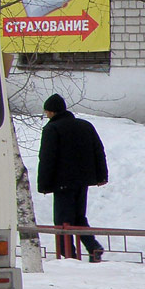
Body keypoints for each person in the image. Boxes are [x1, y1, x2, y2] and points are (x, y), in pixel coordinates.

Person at [37, 93, 108, 262]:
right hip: (82, 182)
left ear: (52, 112)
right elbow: (99, 151)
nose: (46, 115)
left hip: (62, 183)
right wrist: (101, 176)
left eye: (47, 112)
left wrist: (44, 184)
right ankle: (92, 246)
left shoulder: (52, 129)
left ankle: (68, 255)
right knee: (78, 217)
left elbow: (47, 158)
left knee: (62, 222)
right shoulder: (85, 126)